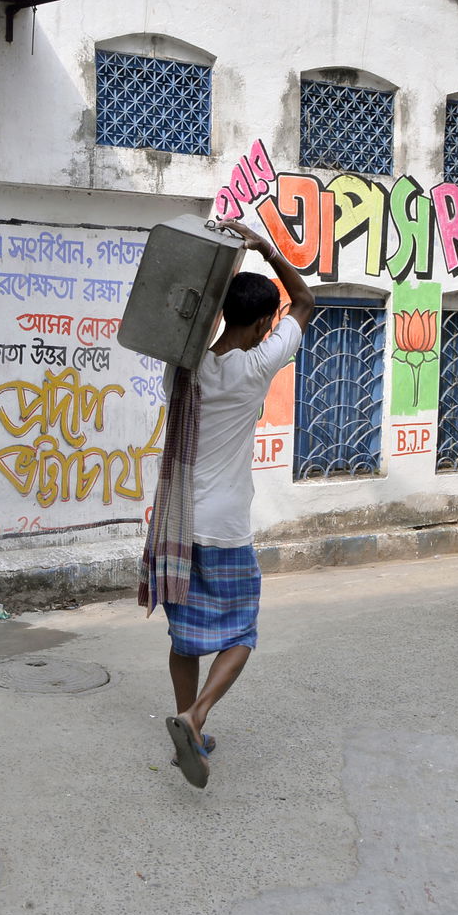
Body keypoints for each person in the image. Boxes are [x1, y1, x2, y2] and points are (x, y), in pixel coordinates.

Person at [141, 220, 315, 788]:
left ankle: (187, 724)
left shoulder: (184, 367)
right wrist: (265, 246)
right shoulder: (257, 367)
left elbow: (193, 323)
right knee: (241, 634)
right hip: (226, 527)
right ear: (266, 323)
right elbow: (307, 301)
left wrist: (216, 277)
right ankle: (195, 717)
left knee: (184, 636)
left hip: (178, 525)